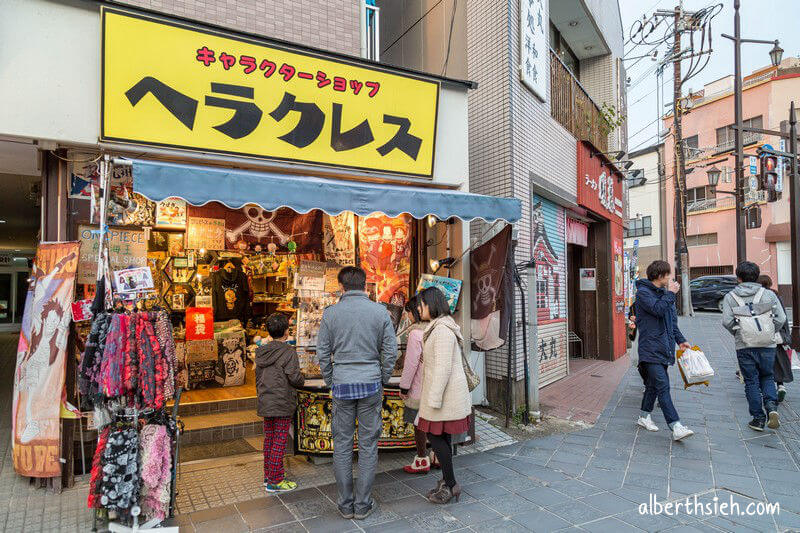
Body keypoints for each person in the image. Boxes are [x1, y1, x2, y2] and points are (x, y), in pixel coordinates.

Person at [317, 266, 398, 520]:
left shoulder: (331, 314)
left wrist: (331, 380)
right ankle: (363, 505)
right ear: (365, 286)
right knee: (367, 444)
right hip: (371, 383)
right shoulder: (379, 312)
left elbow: (322, 352)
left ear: (341, 287)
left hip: (342, 384)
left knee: (341, 444)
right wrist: (382, 377)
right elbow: (390, 351)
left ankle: (345, 504)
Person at [416, 287, 472, 504]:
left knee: (436, 438)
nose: (419, 308)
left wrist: (434, 399)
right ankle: (448, 482)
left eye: (422, 304)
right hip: (443, 396)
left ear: (431, 304)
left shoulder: (441, 331)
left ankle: (451, 484)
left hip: (443, 397)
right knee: (442, 439)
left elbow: (442, 369)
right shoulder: (440, 327)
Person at [634, 260, 694, 441]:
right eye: (667, 274)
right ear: (659, 275)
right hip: (650, 348)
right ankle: (676, 426)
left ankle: (644, 416)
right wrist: (671, 295)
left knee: (653, 385)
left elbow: (671, 323)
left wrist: (681, 341)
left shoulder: (664, 294)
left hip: (663, 348)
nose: (669, 278)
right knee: (663, 386)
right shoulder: (643, 293)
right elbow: (657, 310)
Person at [722, 262, 786, 431]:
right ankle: (772, 407)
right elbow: (781, 318)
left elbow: (727, 321)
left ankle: (758, 419)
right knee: (767, 376)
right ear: (757, 276)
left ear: (739, 278)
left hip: (744, 345)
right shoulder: (769, 295)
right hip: (767, 344)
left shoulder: (730, 297)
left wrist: (739, 334)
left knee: (751, 381)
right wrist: (770, 332)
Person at [255, 313, 305, 493]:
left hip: (266, 400)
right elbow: (295, 377)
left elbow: (257, 378)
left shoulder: (261, 352)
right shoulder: (288, 352)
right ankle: (276, 481)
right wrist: (302, 379)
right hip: (282, 401)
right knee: (280, 440)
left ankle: (268, 475)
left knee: (269, 438)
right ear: (286, 332)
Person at [399, 294, 434, 474]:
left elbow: (411, 364)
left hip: (419, 387)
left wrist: (404, 387)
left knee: (419, 424)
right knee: (436, 423)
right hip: (435, 387)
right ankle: (436, 456)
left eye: (409, 313)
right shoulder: (436, 328)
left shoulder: (415, 333)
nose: (408, 317)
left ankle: (422, 459)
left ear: (416, 311)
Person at [757, 275, 793, 402]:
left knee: (764, 362)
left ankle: (767, 389)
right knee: (779, 361)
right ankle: (781, 386)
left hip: (763, 335)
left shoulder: (758, 297)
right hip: (778, 335)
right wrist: (785, 335)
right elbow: (783, 317)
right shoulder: (776, 296)